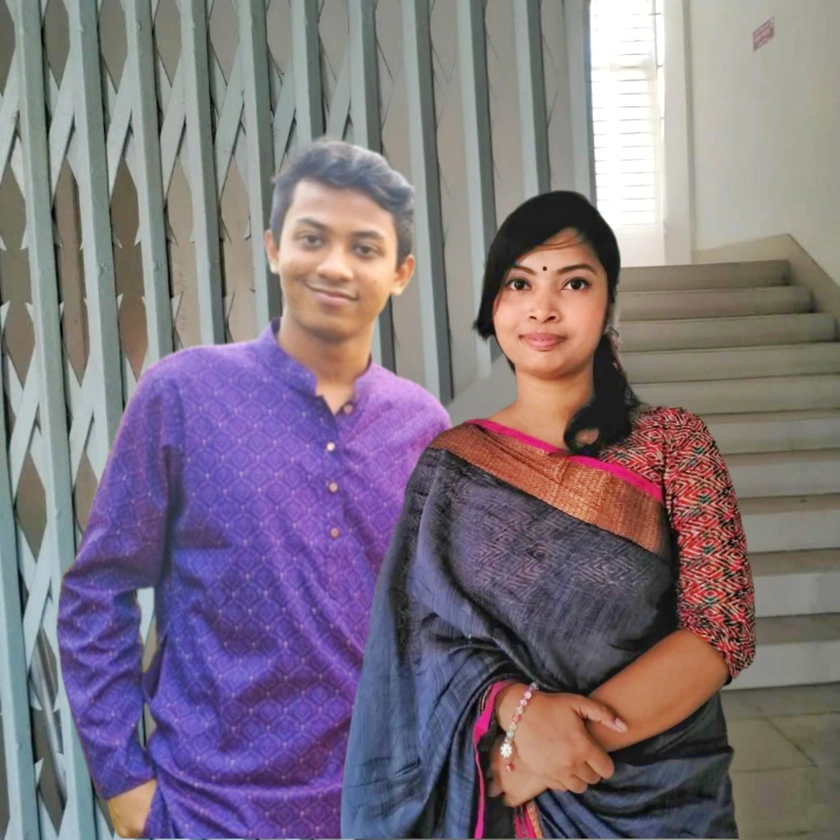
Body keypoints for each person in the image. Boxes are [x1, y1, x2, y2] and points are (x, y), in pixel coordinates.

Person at [57, 139, 450, 839]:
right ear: (273, 248)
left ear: (401, 273)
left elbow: (439, 624)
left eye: (364, 247)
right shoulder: (184, 395)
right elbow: (98, 592)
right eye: (312, 238)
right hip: (209, 811)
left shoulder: (422, 426)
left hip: (381, 812)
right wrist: (123, 779)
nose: (335, 266)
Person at [342, 191, 755, 838]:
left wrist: (542, 760)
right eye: (519, 283)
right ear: (495, 305)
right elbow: (417, 640)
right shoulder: (453, 464)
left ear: (608, 303)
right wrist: (514, 710)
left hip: (657, 799)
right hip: (493, 794)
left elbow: (720, 627)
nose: (543, 306)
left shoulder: (672, 443)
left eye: (575, 282)